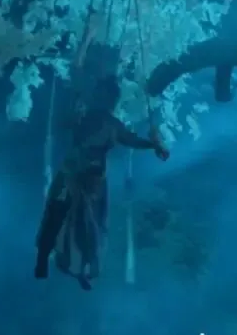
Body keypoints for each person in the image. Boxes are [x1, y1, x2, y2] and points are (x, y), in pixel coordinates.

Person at [34, 75, 168, 288]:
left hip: (90, 179)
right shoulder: (84, 116)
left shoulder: (108, 123)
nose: (102, 98)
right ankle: (48, 257)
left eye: (104, 95)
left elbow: (131, 140)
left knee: (87, 224)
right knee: (58, 214)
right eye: (101, 94)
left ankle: (81, 266)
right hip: (76, 173)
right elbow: (64, 122)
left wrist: (154, 144)